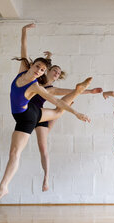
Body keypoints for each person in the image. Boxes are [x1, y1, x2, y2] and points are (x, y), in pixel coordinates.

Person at [0, 23, 92, 206]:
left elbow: (57, 101)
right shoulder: (23, 70)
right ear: (32, 65)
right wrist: (23, 31)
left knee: (56, 112)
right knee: (14, 152)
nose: (39, 71)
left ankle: (77, 91)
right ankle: (3, 186)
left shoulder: (35, 86)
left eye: (42, 71)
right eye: (38, 67)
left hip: (28, 116)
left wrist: (76, 113)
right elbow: (24, 49)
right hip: (23, 115)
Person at [30, 51, 103, 192]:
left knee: (43, 147)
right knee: (59, 111)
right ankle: (62, 111)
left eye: (59, 73)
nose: (57, 73)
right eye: (54, 71)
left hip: (41, 116)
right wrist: (48, 58)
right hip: (31, 113)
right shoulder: (37, 80)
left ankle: (46, 177)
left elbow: (73, 91)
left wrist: (91, 91)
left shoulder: (52, 89)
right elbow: (40, 67)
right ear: (48, 71)